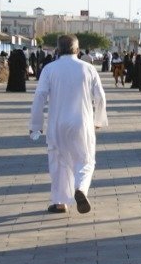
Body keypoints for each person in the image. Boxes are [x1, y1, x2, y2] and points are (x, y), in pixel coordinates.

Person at [29, 34, 108, 215]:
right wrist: (98, 120)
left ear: (58, 50)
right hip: (82, 122)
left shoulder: (49, 69)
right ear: (77, 50)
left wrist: (36, 124)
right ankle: (81, 189)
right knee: (85, 160)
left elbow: (39, 96)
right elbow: (101, 96)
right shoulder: (88, 68)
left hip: (57, 123)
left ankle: (60, 203)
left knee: (58, 162)